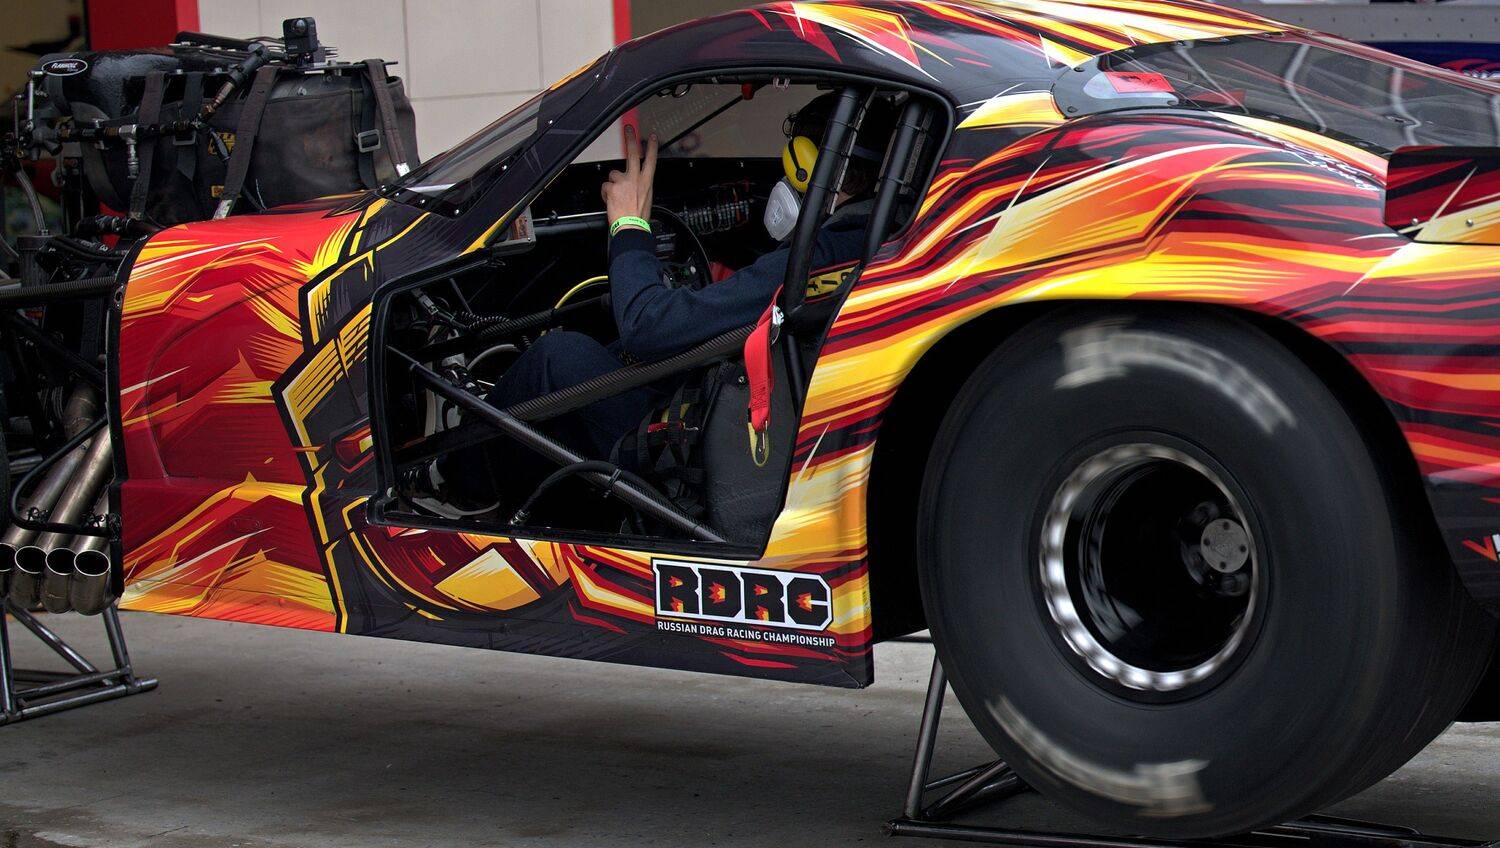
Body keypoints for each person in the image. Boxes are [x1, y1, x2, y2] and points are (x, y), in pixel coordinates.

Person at [418, 93, 894, 513]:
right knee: (604, 355)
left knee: (556, 359)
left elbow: (647, 328)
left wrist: (629, 226)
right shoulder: (881, 243)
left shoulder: (814, 257)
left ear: (806, 165)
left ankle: (451, 482)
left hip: (699, 448)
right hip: (765, 430)